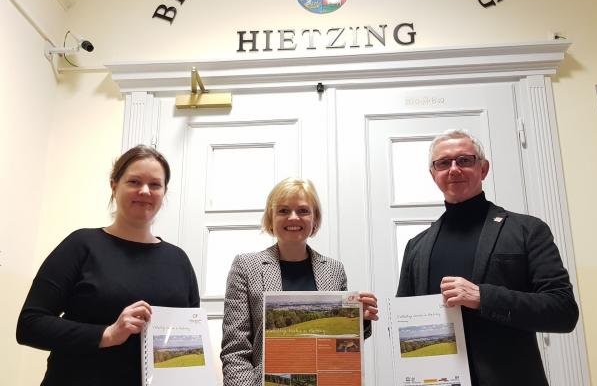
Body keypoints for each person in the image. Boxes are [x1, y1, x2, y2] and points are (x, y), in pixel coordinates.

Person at [396, 129, 579, 386]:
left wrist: (483, 297)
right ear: (433, 174)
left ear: (483, 169)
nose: (454, 169)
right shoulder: (416, 246)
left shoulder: (527, 230)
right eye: (444, 163)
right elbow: (406, 323)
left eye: (465, 160)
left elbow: (563, 312)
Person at [16, 145, 200, 386]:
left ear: (164, 192)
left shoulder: (179, 260)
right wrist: (107, 334)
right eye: (134, 181)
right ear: (114, 186)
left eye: (155, 185)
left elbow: (190, 340)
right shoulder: (81, 245)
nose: (145, 191)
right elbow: (30, 325)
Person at [221, 177, 378, 386]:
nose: (293, 218)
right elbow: (235, 350)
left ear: (315, 220)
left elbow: (341, 344)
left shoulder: (334, 270)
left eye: (303, 211)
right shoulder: (246, 266)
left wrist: (359, 319)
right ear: (271, 218)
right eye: (283, 211)